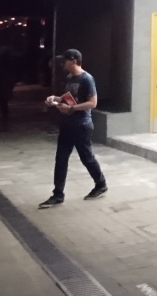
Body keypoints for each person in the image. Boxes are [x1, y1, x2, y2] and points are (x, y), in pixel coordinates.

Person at [40, 49, 107, 207]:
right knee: (61, 159)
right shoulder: (70, 78)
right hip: (67, 124)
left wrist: (72, 109)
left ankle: (100, 184)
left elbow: (93, 103)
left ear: (74, 61)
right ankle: (58, 194)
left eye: (65, 61)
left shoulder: (87, 79)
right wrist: (55, 99)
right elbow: (68, 99)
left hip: (81, 125)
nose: (63, 64)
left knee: (86, 157)